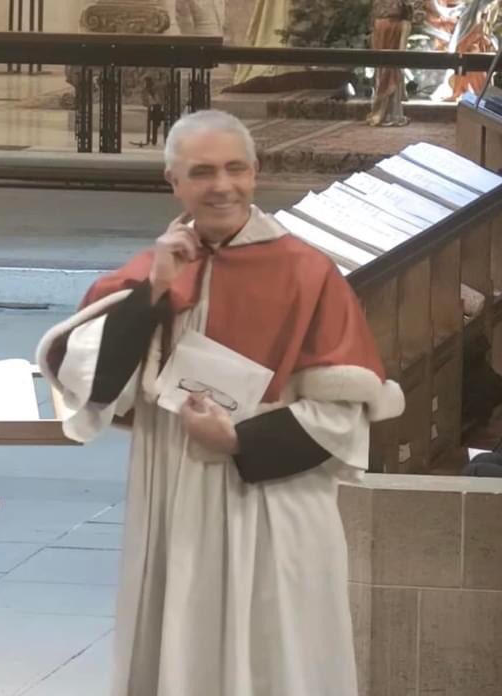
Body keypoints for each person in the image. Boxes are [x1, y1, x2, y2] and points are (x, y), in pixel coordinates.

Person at [36, 110, 405, 696]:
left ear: (256, 173)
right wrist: (155, 289)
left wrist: (239, 440)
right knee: (178, 648)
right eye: (202, 172)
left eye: (236, 168)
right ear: (173, 182)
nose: (222, 186)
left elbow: (344, 411)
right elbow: (93, 382)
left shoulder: (307, 272)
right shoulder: (150, 270)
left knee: (273, 654)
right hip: (174, 491)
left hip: (271, 500)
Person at [366, 0, 413, 127]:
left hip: (381, 24)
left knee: (383, 69)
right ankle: (390, 114)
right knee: (392, 67)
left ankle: (383, 112)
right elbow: (406, 8)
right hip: (394, 25)